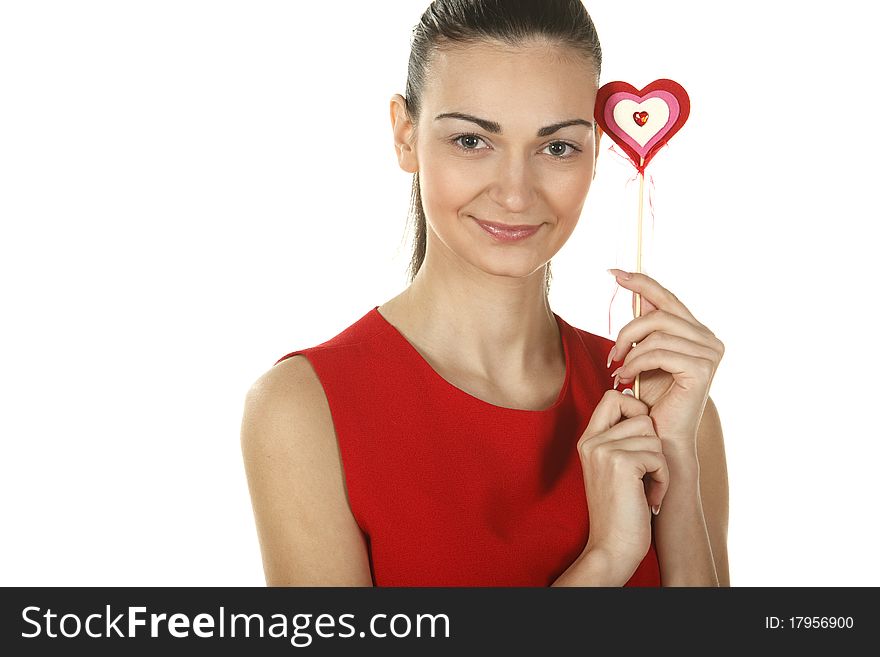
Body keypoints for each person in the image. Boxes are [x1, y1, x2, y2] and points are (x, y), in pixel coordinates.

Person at [240, 0, 729, 587]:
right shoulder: (303, 410)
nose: (516, 193)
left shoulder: (668, 403)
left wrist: (675, 451)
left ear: (597, 150)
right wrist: (606, 559)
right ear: (404, 135)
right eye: (472, 141)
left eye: (556, 147)